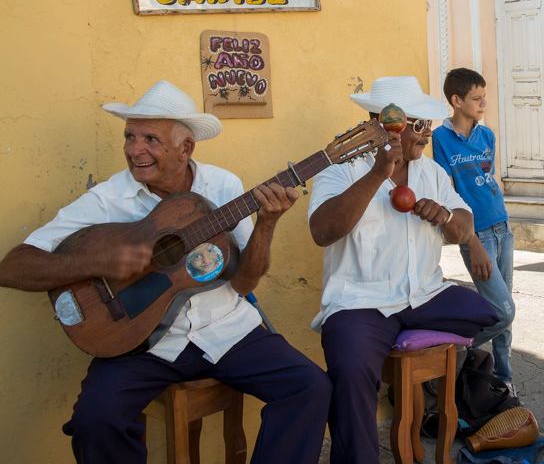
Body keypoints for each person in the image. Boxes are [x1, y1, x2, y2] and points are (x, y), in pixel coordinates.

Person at [0, 80, 331, 464]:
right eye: (130, 137)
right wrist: (97, 263)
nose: (134, 150)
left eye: (150, 139)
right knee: (95, 419)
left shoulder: (222, 185)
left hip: (225, 330)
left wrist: (267, 224)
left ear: (185, 147)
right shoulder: (107, 200)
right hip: (138, 343)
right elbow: (13, 267)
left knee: (309, 388)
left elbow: (243, 283)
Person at [308, 75, 499, 463]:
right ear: (384, 125)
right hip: (362, 302)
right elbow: (322, 232)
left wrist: (444, 214)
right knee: (351, 373)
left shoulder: (430, 172)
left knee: (492, 314)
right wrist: (379, 171)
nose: (425, 134)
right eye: (416, 125)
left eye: (426, 124)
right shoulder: (342, 169)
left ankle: (432, 389)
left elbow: (463, 227)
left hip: (424, 295)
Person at [433, 67, 517, 388]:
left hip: (502, 226)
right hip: (476, 235)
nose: (483, 103)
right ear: (456, 100)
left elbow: (487, 177)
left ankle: (504, 380)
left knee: (506, 311)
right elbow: (448, 190)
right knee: (503, 310)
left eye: (484, 97)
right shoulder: (440, 139)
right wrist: (470, 239)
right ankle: (449, 353)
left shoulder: (487, 136)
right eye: (476, 98)